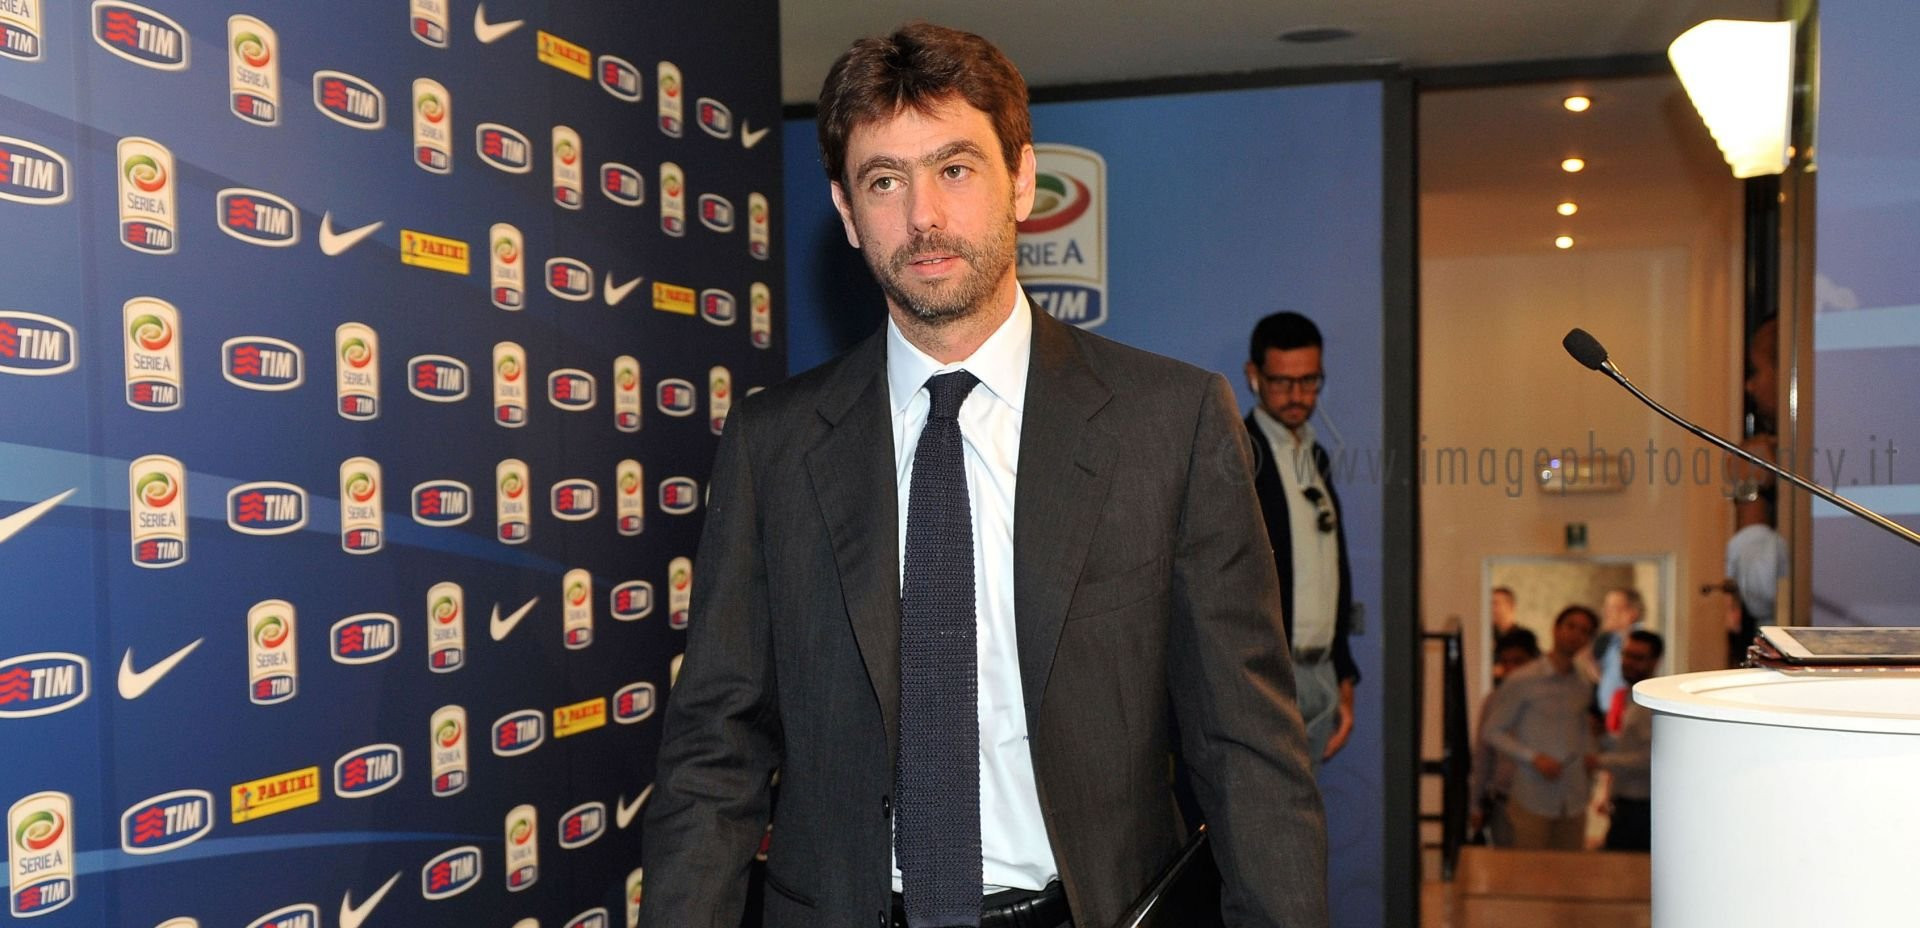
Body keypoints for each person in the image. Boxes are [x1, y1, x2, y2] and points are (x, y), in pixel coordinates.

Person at [639, 22, 1327, 928]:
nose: (923, 216)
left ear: (1022, 179)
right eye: (885, 180)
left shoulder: (1169, 423)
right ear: (846, 211)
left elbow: (1247, 748)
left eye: (955, 168)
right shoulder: (775, 444)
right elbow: (713, 752)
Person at [1243, 312, 1359, 767]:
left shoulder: (1315, 453)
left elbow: (1333, 568)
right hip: (1265, 677)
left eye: (1309, 381)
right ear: (1254, 376)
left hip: (1321, 672)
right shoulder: (1236, 453)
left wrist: (1342, 670)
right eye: (1282, 382)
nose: (1297, 395)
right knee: (1264, 806)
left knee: (1306, 807)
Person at [1480, 605, 1599, 851]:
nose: (1575, 635)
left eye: (1584, 631)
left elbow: (1582, 730)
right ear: (1556, 629)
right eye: (1571, 626)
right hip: (1532, 793)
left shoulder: (1582, 683)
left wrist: (1591, 759)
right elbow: (1492, 731)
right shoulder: (1523, 679)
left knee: (1571, 868)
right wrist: (1533, 758)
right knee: (1530, 868)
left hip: (1573, 795)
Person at [1470, 627, 1541, 846]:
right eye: (1505, 662)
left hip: (1541, 799)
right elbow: (1483, 756)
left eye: (1518, 661)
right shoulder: (1494, 701)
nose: (1511, 669)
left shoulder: (1548, 700)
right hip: (1503, 799)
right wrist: (1475, 804)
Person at [1595, 630, 1661, 852]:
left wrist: (1599, 761)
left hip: (1642, 805)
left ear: (1654, 662)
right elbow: (1626, 745)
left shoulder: (1652, 703)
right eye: (1626, 655)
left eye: (1638, 657)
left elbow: (1650, 759)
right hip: (1626, 801)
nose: (1629, 662)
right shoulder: (1627, 697)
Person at [1589, 588, 1645, 722]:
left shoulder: (1641, 642)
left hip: (1629, 715)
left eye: (1613, 608)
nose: (1606, 613)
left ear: (1632, 613)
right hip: (1607, 715)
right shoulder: (1610, 640)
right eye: (1606, 607)